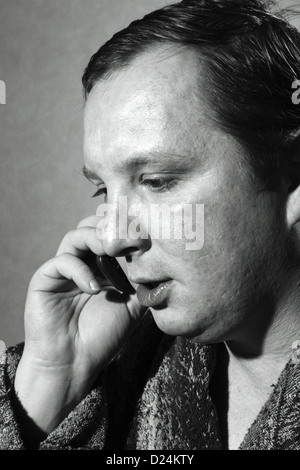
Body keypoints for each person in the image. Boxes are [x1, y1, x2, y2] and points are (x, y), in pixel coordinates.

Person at [1, 0, 300, 451]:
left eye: (157, 181)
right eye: (103, 191)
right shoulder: (111, 370)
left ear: (292, 178)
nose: (113, 236)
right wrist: (49, 386)